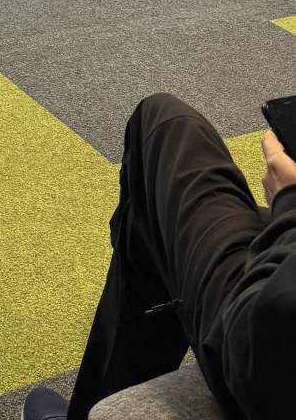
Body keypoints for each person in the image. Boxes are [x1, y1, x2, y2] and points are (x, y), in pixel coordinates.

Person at [22, 93, 296, 420]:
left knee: (167, 124)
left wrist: (289, 201)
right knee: (161, 214)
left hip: (266, 343)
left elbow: (270, 335)